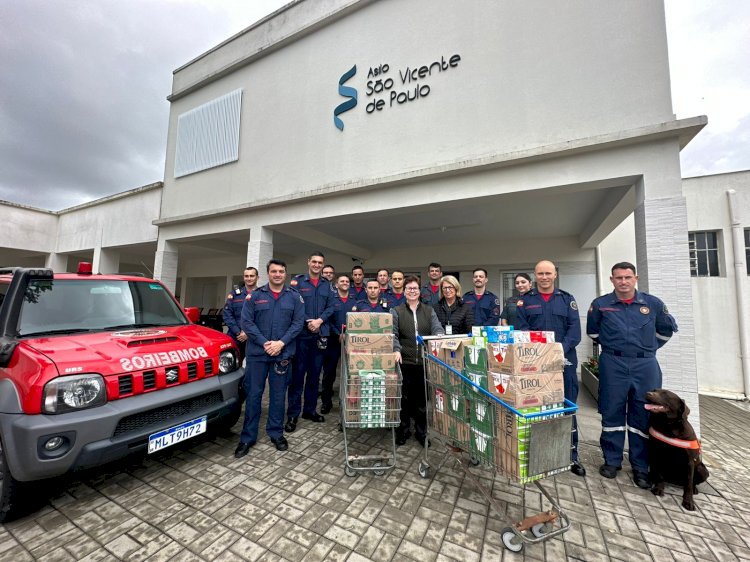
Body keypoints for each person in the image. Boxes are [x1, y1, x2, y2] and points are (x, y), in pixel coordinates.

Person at [587, 261, 677, 489]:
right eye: (619, 278)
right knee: (611, 411)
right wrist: (617, 348)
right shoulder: (601, 304)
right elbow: (594, 332)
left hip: (644, 365)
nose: (623, 282)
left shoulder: (652, 303)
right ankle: (612, 461)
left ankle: (640, 467)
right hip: (613, 363)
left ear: (635, 278)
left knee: (643, 414)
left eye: (628, 277)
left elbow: (666, 331)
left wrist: (647, 348)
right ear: (612, 280)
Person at [515, 260, 585, 477]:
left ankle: (571, 456)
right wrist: (541, 353)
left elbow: (575, 331)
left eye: (548, 273)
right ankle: (540, 453)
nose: (544, 277)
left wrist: (557, 350)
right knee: (537, 407)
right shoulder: (525, 301)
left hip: (563, 361)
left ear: (555, 275)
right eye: (540, 274)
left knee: (566, 406)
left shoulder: (567, 299)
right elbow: (522, 329)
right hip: (535, 364)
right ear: (535, 276)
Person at [235, 259, 304, 456]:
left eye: (281, 271)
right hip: (257, 354)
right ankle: (247, 437)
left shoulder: (294, 297)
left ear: (285, 274)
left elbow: (298, 323)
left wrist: (281, 343)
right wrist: (265, 343)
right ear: (268, 273)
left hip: (282, 354)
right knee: (254, 396)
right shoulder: (255, 296)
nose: (277, 274)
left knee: (277, 396)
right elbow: (246, 322)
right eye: (274, 271)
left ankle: (276, 433)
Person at [392, 276, 444, 446]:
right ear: (404, 292)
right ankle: (403, 430)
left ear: (419, 291)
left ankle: (421, 433)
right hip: (404, 362)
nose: (412, 291)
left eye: (415, 288)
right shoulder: (396, 311)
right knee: (404, 399)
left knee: (421, 401)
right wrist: (396, 349)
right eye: (409, 289)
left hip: (423, 362)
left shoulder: (429, 311)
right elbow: (393, 333)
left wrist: (438, 338)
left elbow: (437, 328)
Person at [286, 251, 334, 432]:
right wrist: (309, 321)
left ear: (323, 265)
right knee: (297, 376)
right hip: (302, 336)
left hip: (320, 334)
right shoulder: (298, 282)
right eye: (314, 261)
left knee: (315, 376)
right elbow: (294, 306)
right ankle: (292, 414)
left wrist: (319, 321)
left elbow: (331, 307)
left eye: (320, 262)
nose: (316, 265)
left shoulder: (327, 286)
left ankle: (309, 410)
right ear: (308, 262)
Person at [320, 273, 358, 414]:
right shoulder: (332, 299)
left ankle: (351, 402)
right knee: (329, 373)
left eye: (347, 281)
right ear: (336, 284)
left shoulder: (355, 300)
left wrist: (348, 334)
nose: (345, 283)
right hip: (333, 340)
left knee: (351, 372)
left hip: (352, 341)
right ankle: (326, 402)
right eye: (342, 281)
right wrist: (338, 333)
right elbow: (327, 318)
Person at [223, 266, 258, 365]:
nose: (249, 278)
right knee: (232, 366)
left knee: (254, 367)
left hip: (255, 338)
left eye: (252, 276)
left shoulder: (262, 294)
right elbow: (227, 314)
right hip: (236, 337)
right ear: (244, 278)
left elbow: (263, 318)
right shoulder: (234, 294)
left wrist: (248, 333)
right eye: (246, 276)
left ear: (257, 277)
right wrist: (238, 332)